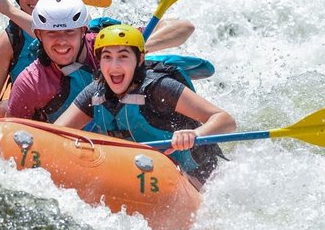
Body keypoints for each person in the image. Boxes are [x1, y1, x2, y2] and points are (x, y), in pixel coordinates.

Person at [54, 24, 235, 186]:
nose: (114, 66)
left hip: (196, 175)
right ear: (99, 62)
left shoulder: (160, 88)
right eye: (107, 57)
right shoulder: (95, 93)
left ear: (139, 60)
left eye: (123, 56)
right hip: (141, 173)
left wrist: (195, 134)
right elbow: (54, 133)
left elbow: (225, 119)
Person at [6, 0, 195, 123]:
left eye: (69, 32)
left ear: (82, 30)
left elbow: (184, 27)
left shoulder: (107, 46)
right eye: (52, 34)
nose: (61, 42)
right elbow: (12, 133)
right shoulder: (30, 83)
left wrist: (133, 50)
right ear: (39, 35)